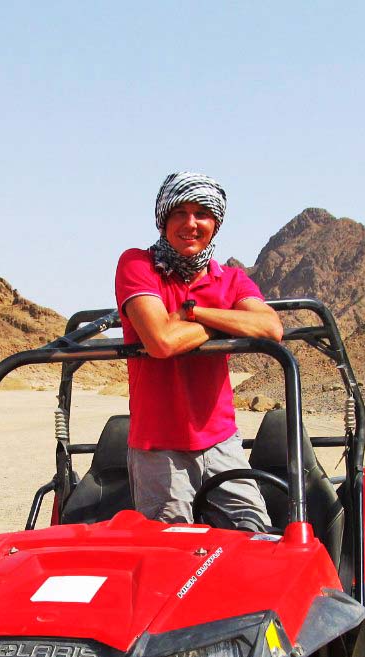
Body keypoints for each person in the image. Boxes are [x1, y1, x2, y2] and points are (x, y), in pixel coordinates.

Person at [114, 172, 283, 531]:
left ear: (215, 223)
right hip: (159, 451)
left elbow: (270, 328)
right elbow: (161, 342)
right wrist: (227, 320)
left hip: (221, 441)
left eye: (202, 213)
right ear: (163, 220)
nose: (190, 224)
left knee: (255, 542)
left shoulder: (231, 279)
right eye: (179, 213)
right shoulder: (138, 265)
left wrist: (194, 313)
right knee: (169, 561)